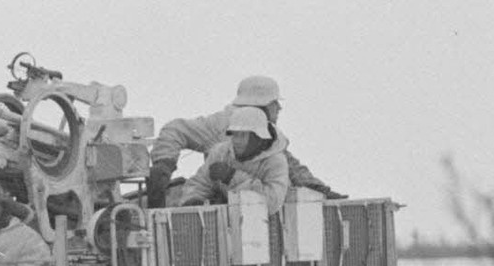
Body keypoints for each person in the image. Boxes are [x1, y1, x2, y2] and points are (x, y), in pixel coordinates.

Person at [145, 75, 346, 207]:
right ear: (260, 106)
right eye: (274, 103)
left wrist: (321, 191)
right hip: (222, 208)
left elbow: (291, 169)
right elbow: (175, 130)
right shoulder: (220, 125)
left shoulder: (269, 139)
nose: (279, 109)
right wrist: (164, 163)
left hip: (254, 210)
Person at [180, 106, 291, 214]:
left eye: (242, 135)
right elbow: (200, 182)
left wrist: (232, 177)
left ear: (257, 137)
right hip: (227, 224)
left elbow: (272, 202)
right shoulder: (220, 152)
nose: (236, 141)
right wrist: (193, 199)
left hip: (263, 226)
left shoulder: (275, 162)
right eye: (234, 134)